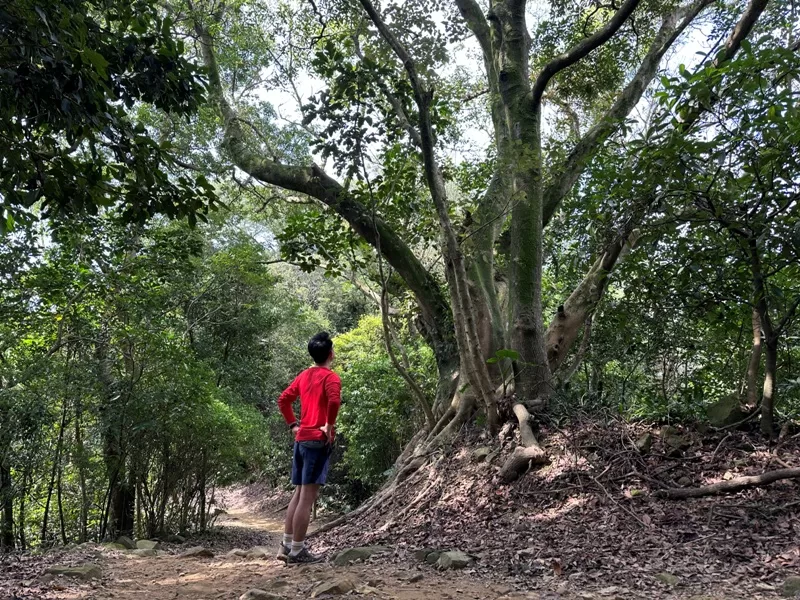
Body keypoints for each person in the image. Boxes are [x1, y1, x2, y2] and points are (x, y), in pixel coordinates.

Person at [276, 331, 341, 564]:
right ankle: (297, 551)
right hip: (317, 441)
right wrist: (329, 425)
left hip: (301, 439)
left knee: (298, 493)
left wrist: (293, 425)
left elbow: (283, 399)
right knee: (307, 498)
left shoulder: (304, 375)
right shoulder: (331, 378)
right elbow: (334, 401)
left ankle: (286, 545)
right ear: (331, 353)